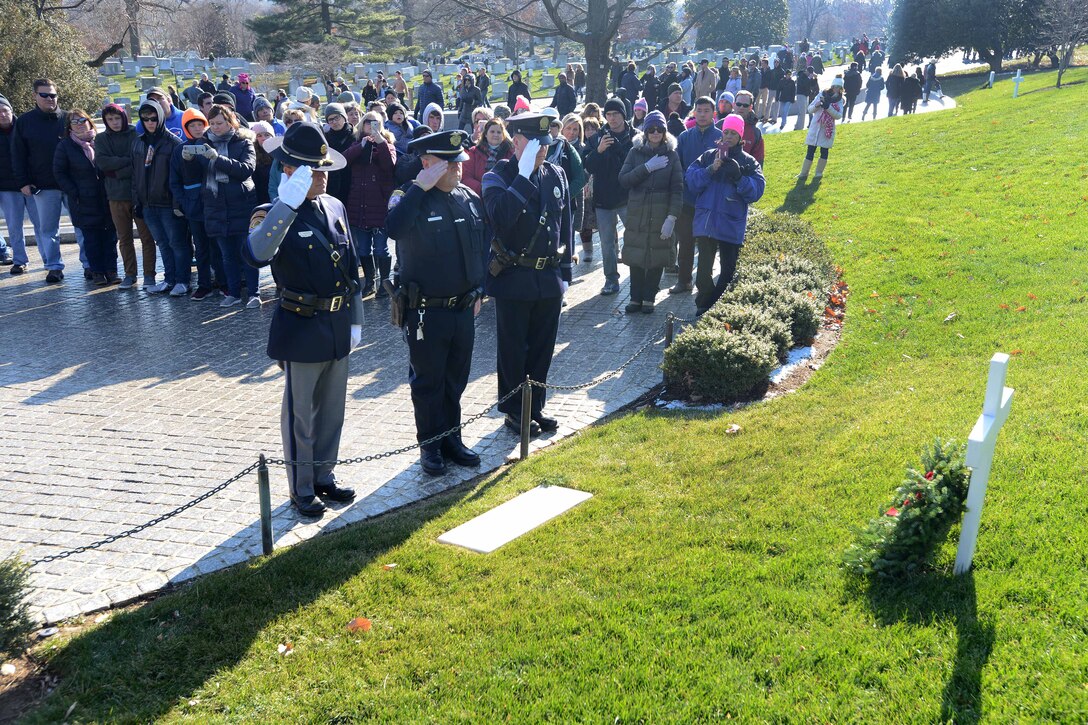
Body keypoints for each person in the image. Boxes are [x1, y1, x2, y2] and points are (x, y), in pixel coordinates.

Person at [244, 123, 362, 517]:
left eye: (325, 169)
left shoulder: (335, 207)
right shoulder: (269, 214)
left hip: (336, 324)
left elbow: (353, 270)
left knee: (332, 410)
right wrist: (287, 205)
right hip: (301, 324)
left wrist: (356, 320)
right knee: (301, 416)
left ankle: (325, 475)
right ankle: (301, 486)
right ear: (291, 171)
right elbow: (257, 253)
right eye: (314, 171)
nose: (323, 177)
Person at [383, 129, 487, 475]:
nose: (457, 171)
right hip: (426, 310)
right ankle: (430, 445)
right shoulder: (409, 198)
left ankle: (452, 439)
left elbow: (481, 247)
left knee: (456, 379)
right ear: (426, 164)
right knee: (429, 382)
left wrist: (480, 290)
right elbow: (394, 229)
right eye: (448, 165)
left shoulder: (468, 197)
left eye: (458, 164)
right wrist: (418, 188)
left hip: (463, 308)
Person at [481, 113, 573, 436]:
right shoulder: (498, 177)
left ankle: (536, 407)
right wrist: (521, 177)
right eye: (537, 146)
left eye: (546, 146)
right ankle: (514, 411)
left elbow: (566, 225)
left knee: (541, 348)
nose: (544, 152)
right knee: (513, 349)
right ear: (518, 142)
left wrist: (566, 274)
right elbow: (500, 218)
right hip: (514, 276)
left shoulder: (555, 174)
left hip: (547, 276)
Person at [687, 114, 765, 315]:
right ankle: (704, 304)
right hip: (706, 223)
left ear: (740, 137)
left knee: (728, 272)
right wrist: (710, 169)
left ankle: (712, 306)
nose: (729, 136)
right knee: (702, 274)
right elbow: (691, 180)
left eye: (733, 133)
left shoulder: (749, 162)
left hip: (731, 224)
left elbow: (756, 191)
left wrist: (739, 177)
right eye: (726, 132)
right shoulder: (708, 155)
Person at [187, 104, 258, 307]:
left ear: (230, 122)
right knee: (227, 256)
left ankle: (254, 292)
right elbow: (195, 176)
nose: (215, 128)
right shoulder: (204, 143)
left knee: (247, 253)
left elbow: (246, 169)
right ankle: (233, 293)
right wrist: (188, 160)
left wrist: (218, 159)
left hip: (241, 205)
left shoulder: (244, 142)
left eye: (219, 123)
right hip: (216, 206)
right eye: (212, 124)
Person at [617, 110, 682, 314]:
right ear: (645, 132)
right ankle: (635, 298)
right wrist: (646, 167)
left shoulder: (672, 156)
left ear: (665, 132)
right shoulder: (634, 153)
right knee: (636, 256)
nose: (655, 133)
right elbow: (624, 179)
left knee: (657, 257)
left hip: (661, 213)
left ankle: (649, 298)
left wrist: (671, 217)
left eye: (659, 129)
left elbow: (677, 189)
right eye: (651, 129)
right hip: (638, 212)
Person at [11, 79, 69, 282]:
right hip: (43, 185)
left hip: (72, 184)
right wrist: (23, 181)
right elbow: (17, 154)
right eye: (44, 95)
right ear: (35, 96)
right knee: (48, 230)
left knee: (82, 226)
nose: (49, 99)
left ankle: (89, 265)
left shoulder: (68, 118)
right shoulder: (25, 122)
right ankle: (54, 266)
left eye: (52, 95)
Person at [53, 109, 118, 286]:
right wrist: (74, 192)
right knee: (91, 239)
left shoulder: (101, 141)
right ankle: (97, 272)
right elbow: (59, 173)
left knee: (110, 237)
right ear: (69, 127)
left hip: (106, 197)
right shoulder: (65, 146)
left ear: (89, 121)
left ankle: (112, 270)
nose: (80, 124)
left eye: (83, 119)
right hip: (82, 200)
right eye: (75, 121)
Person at [95, 103, 156, 289]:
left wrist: (118, 169)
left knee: (147, 238)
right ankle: (130, 274)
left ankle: (149, 274)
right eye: (110, 119)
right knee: (124, 238)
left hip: (139, 195)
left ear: (124, 117)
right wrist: (127, 164)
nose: (114, 122)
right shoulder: (101, 139)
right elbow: (103, 163)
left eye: (117, 118)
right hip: (116, 196)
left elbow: (142, 163)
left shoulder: (136, 135)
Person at [132, 99, 187, 294]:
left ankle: (182, 280)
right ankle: (170, 279)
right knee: (162, 243)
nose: (150, 122)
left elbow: (180, 178)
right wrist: (137, 201)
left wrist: (177, 203)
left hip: (167, 203)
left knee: (177, 243)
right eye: (145, 119)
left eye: (154, 118)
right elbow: (135, 175)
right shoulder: (138, 143)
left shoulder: (174, 143)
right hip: (148, 204)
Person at [170, 108, 223, 300]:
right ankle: (204, 284)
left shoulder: (212, 145)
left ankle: (223, 282)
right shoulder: (179, 149)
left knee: (218, 246)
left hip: (215, 203)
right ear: (186, 128)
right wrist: (184, 202)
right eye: (192, 125)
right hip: (193, 207)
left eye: (200, 124)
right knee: (200, 248)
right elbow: (174, 180)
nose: (197, 128)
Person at [671, 95, 721, 298]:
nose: (702, 115)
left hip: (710, 200)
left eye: (706, 111)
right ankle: (684, 280)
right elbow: (678, 166)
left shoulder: (720, 137)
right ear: (694, 112)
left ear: (713, 114)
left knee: (707, 243)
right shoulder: (684, 137)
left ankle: (704, 281)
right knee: (685, 242)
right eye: (698, 111)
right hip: (688, 199)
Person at [582, 97, 634, 296]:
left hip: (628, 197)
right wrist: (599, 150)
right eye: (609, 115)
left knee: (635, 235)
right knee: (606, 242)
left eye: (616, 114)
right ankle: (611, 279)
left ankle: (639, 274)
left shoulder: (635, 136)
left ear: (623, 114)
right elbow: (588, 166)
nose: (612, 118)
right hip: (604, 199)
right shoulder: (597, 138)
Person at [343, 111, 397, 297]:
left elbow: (389, 165)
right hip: (359, 204)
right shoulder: (357, 144)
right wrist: (362, 145)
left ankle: (384, 282)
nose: (371, 126)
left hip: (379, 204)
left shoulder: (387, 145)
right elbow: (345, 159)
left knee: (381, 248)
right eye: (367, 123)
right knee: (364, 248)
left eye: (375, 123)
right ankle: (369, 282)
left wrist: (379, 141)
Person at [0, 95, 30, 273]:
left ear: (11, 111)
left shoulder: (23, 128)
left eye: (5, 110)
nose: (2, 115)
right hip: (7, 186)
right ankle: (20, 260)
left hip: (30, 184)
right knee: (14, 226)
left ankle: (50, 262)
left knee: (42, 226)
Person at [798, 78, 844, 182]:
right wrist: (818, 104)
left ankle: (818, 173)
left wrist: (828, 107)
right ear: (832, 86)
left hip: (827, 129)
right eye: (835, 86)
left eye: (839, 87)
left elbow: (838, 115)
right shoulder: (822, 94)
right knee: (810, 150)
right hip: (816, 127)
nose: (836, 89)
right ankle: (803, 173)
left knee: (824, 151)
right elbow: (810, 109)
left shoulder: (840, 100)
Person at [462, 117, 513, 195]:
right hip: (479, 197)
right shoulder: (474, 152)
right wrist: (482, 188)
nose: (496, 135)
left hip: (503, 197)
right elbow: (466, 177)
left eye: (499, 132)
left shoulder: (511, 153)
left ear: (503, 135)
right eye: (492, 131)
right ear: (485, 134)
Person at [322, 103, 356, 206]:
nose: (334, 122)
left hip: (353, 182)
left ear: (344, 117)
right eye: (330, 120)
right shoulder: (325, 138)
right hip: (333, 185)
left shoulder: (355, 135)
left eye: (336, 117)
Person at [732, 91, 765, 167]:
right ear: (733, 105)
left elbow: (758, 162)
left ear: (750, 107)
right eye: (738, 104)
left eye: (745, 105)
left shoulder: (755, 132)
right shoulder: (721, 125)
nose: (741, 107)